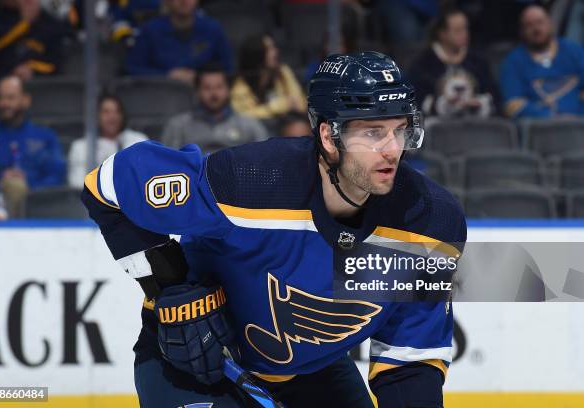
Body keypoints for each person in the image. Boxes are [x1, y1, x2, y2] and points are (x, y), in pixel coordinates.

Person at [81, 52, 466, 407]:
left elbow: (408, 360)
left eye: (399, 129)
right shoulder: (248, 182)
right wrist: (169, 286)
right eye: (372, 132)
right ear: (329, 136)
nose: (392, 149)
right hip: (194, 362)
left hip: (315, 373)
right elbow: (106, 185)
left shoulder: (429, 223)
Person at [0, 76, 65, 218]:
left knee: (17, 186)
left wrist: (29, 182)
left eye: (10, 98)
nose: (4, 103)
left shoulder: (45, 137)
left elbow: (57, 175)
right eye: (0, 98)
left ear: (25, 100)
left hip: (37, 205)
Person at [408, 8, 498, 118]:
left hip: (475, 124)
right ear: (442, 34)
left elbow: (493, 96)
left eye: (466, 29)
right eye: (458, 30)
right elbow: (415, 101)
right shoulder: (424, 63)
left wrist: (479, 103)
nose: (465, 34)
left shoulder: (478, 61)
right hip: (437, 127)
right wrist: (443, 105)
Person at [500, 4, 584, 118]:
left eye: (540, 22)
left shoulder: (574, 51)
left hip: (578, 125)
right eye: (529, 25)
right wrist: (551, 118)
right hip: (538, 130)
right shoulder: (514, 62)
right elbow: (513, 105)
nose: (536, 29)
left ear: (550, 23)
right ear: (522, 31)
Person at [162, 64, 268, 153]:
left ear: (228, 90)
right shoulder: (178, 125)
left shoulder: (249, 125)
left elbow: (265, 158)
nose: (214, 94)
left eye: (219, 87)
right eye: (207, 88)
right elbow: (168, 164)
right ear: (197, 91)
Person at [125, 0, 233, 82]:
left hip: (204, 94)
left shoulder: (213, 29)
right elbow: (132, 69)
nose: (184, 1)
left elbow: (228, 69)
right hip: (161, 95)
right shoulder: (150, 30)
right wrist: (167, 75)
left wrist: (200, 77)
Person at [0, 0, 71, 79]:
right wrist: (24, 23)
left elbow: (56, 65)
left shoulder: (51, 25)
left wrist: (33, 69)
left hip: (38, 88)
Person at [68, 94, 147, 189]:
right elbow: (77, 183)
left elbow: (147, 177)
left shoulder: (140, 141)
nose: (112, 117)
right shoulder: (81, 147)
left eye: (117, 112)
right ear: (96, 116)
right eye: (106, 112)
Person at [231, 34, 307, 121]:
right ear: (256, 55)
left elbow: (301, 104)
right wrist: (278, 106)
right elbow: (244, 116)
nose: (276, 51)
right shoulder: (240, 87)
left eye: (274, 47)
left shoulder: (283, 72)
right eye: (269, 49)